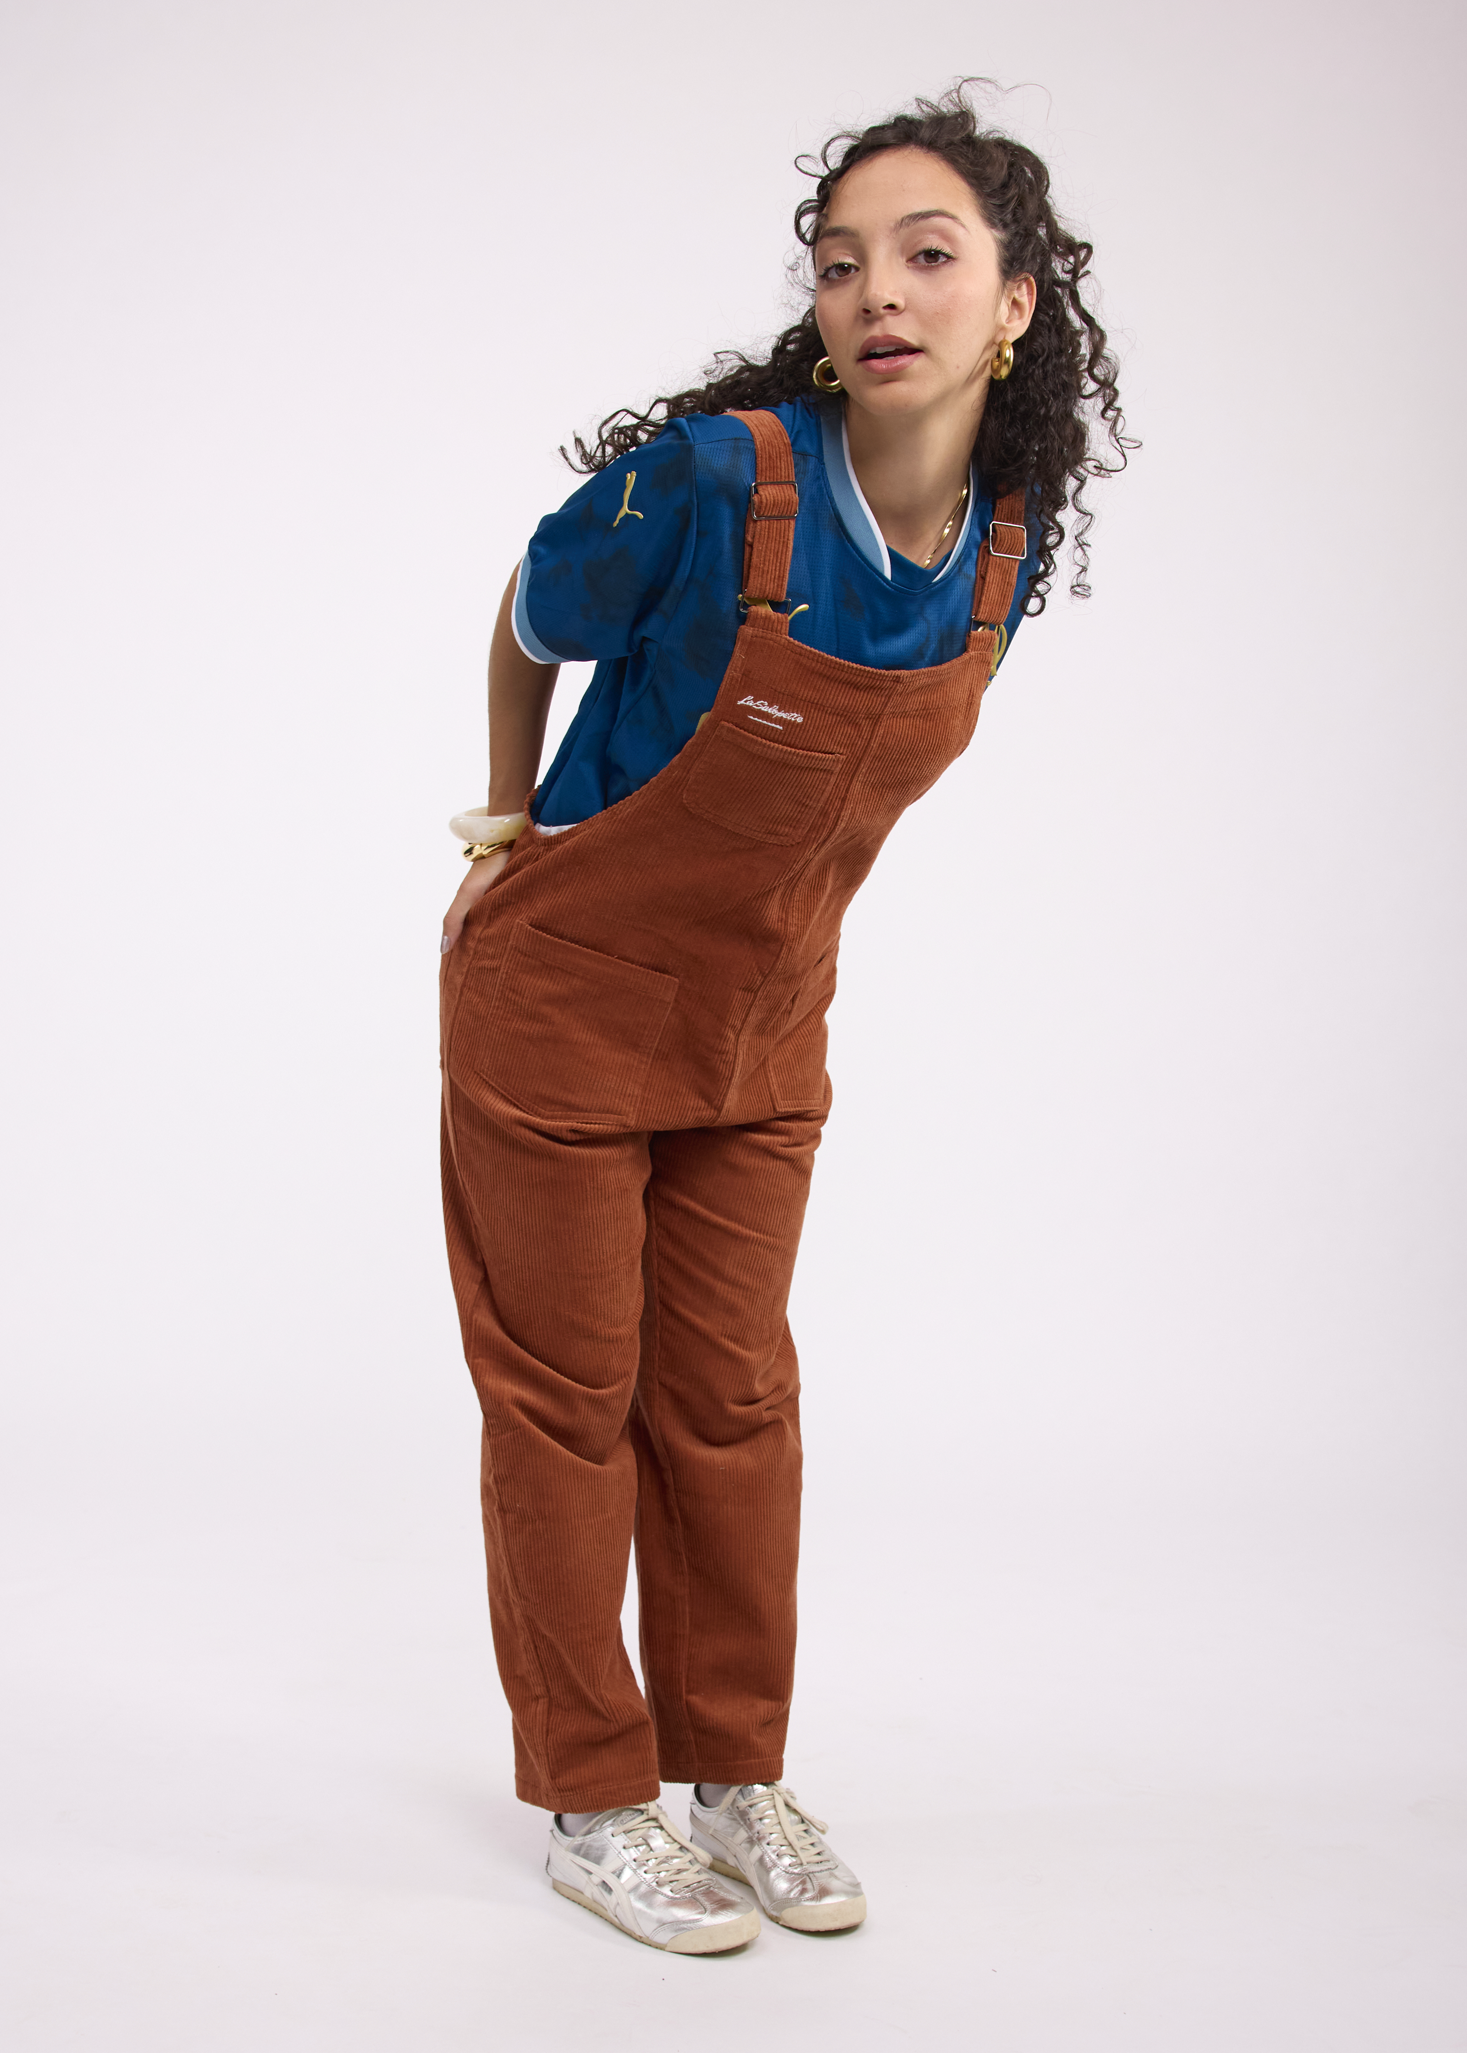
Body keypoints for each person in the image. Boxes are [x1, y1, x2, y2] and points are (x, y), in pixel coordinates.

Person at [438, 85, 1129, 1954]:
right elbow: (530, 612)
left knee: (733, 1402)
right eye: (840, 264)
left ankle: (731, 1772)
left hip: (763, 1028)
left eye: (927, 255)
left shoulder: (1002, 544)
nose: (876, 292)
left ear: (1015, 303)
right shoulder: (714, 479)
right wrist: (502, 830)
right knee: (569, 1406)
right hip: (564, 1005)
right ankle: (596, 1798)